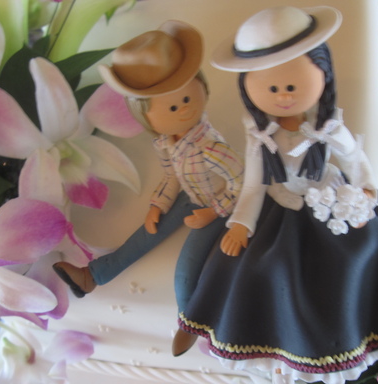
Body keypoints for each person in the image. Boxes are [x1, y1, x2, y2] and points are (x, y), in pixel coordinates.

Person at [175, 6, 378, 384]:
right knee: (264, 269)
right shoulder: (260, 136)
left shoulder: (328, 127)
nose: (283, 96)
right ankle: (281, 349)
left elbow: (356, 160)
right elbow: (254, 185)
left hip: (334, 204)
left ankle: (366, 337)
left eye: (292, 86)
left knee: (363, 255)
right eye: (272, 88)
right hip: (280, 211)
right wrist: (242, 224)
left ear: (323, 75)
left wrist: (365, 190)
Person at [53, 21, 244, 346]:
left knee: (186, 268)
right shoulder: (167, 143)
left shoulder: (210, 147)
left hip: (218, 206)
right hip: (190, 197)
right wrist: (158, 205)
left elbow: (240, 182)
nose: (183, 109)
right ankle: (91, 276)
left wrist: (213, 213)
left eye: (187, 97)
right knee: (144, 236)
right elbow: (172, 177)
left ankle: (191, 322)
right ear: (145, 118)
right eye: (172, 106)